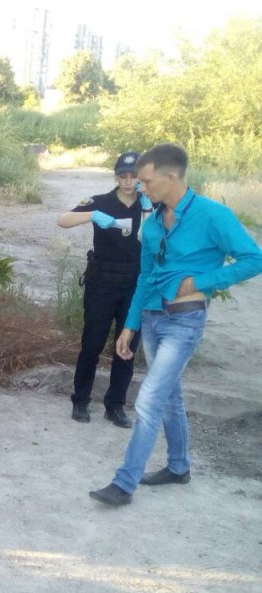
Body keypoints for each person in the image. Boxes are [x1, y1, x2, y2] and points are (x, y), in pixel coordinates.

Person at [89, 143, 262, 506]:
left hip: (185, 320)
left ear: (170, 177)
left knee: (149, 399)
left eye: (146, 181)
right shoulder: (152, 225)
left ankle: (124, 484)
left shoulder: (213, 215)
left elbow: (253, 258)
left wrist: (200, 282)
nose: (140, 187)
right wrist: (130, 326)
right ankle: (179, 466)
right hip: (151, 320)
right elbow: (146, 277)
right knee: (169, 397)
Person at [58, 151, 152, 428]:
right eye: (123, 176)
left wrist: (148, 209)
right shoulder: (101, 202)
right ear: (115, 176)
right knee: (92, 342)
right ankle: (81, 400)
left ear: (140, 178)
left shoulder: (149, 206)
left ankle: (115, 406)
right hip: (102, 282)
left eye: (133, 176)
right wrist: (92, 215)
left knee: (127, 347)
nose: (127, 181)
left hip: (135, 283)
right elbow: (63, 220)